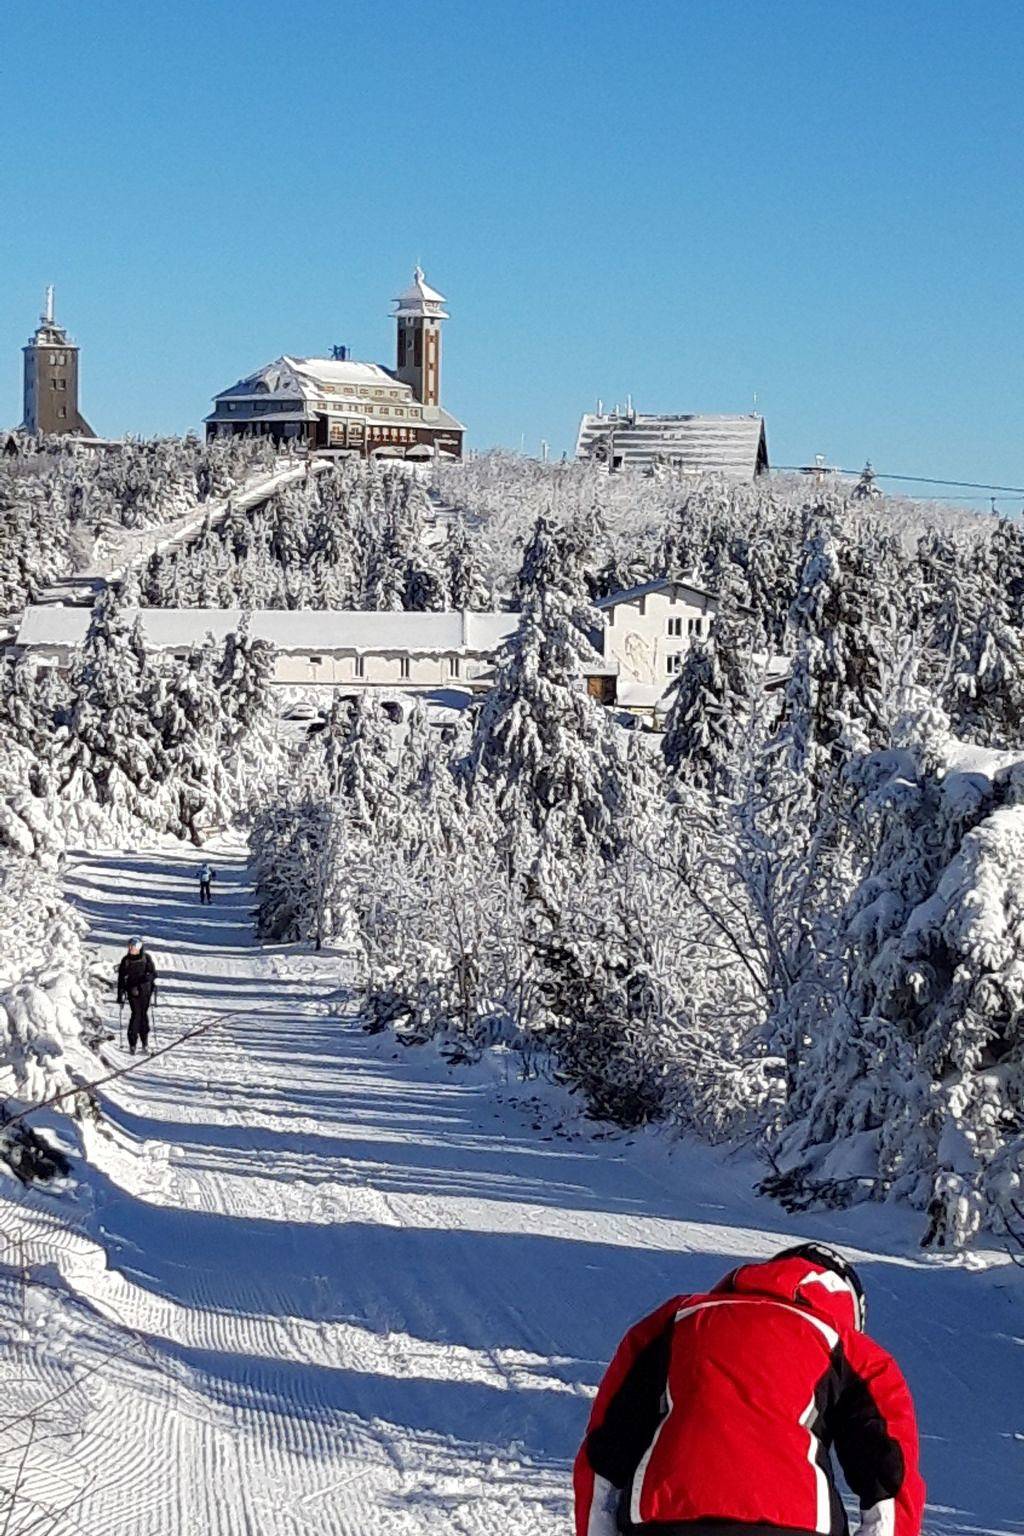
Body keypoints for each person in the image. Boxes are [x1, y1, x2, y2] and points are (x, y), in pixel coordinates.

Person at [575, 1242, 925, 1536]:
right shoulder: (854, 1351)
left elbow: (605, 1450)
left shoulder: (676, 1319)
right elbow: (891, 1485)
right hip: (797, 1525)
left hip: (665, 1519)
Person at [116, 937, 157, 1055]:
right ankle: (132, 1043)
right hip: (132, 991)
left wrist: (147, 978)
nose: (130, 949)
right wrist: (120, 994)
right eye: (129, 946)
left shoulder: (146, 958)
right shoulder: (126, 960)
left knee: (143, 1015)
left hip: (146, 991)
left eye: (132, 947)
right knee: (136, 1015)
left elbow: (154, 973)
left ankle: (144, 1042)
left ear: (138, 948)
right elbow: (121, 978)